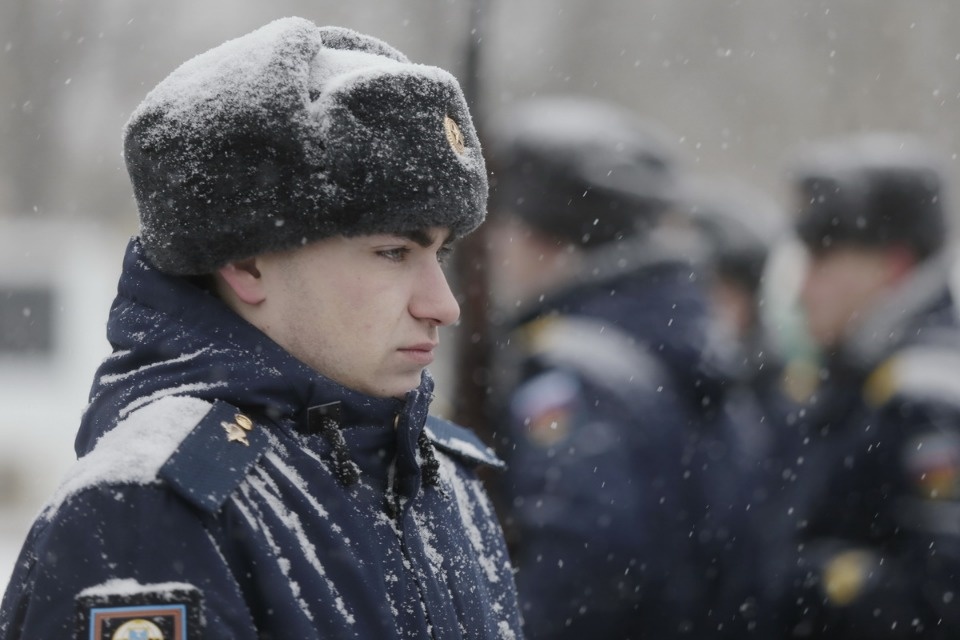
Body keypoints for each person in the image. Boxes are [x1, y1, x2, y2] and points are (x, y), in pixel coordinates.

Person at [0, 17, 523, 639]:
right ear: (247, 262)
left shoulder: (438, 475)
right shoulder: (148, 510)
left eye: (440, 254)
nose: (444, 305)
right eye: (393, 253)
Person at [485, 95, 759, 639]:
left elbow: (581, 565)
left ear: (547, 237)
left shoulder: (573, 369)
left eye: (504, 224)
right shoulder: (665, 336)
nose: (493, 246)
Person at [762, 132, 960, 638]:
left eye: (822, 260)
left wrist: (811, 577)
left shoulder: (926, 394)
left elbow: (940, 601)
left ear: (895, 264)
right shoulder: (866, 374)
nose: (802, 290)